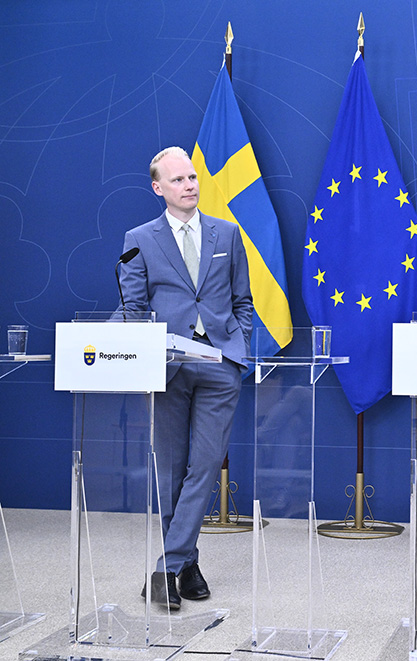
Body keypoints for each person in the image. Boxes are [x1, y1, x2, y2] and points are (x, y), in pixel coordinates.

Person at [118, 146, 253, 610]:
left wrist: (240, 351)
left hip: (219, 364)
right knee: (172, 473)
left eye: (192, 177)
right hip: (167, 367)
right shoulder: (139, 238)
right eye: (177, 180)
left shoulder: (227, 234)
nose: (189, 185)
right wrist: (142, 359)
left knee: (205, 465)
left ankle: (165, 569)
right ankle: (187, 565)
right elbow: (134, 310)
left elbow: (243, 302)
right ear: (158, 188)